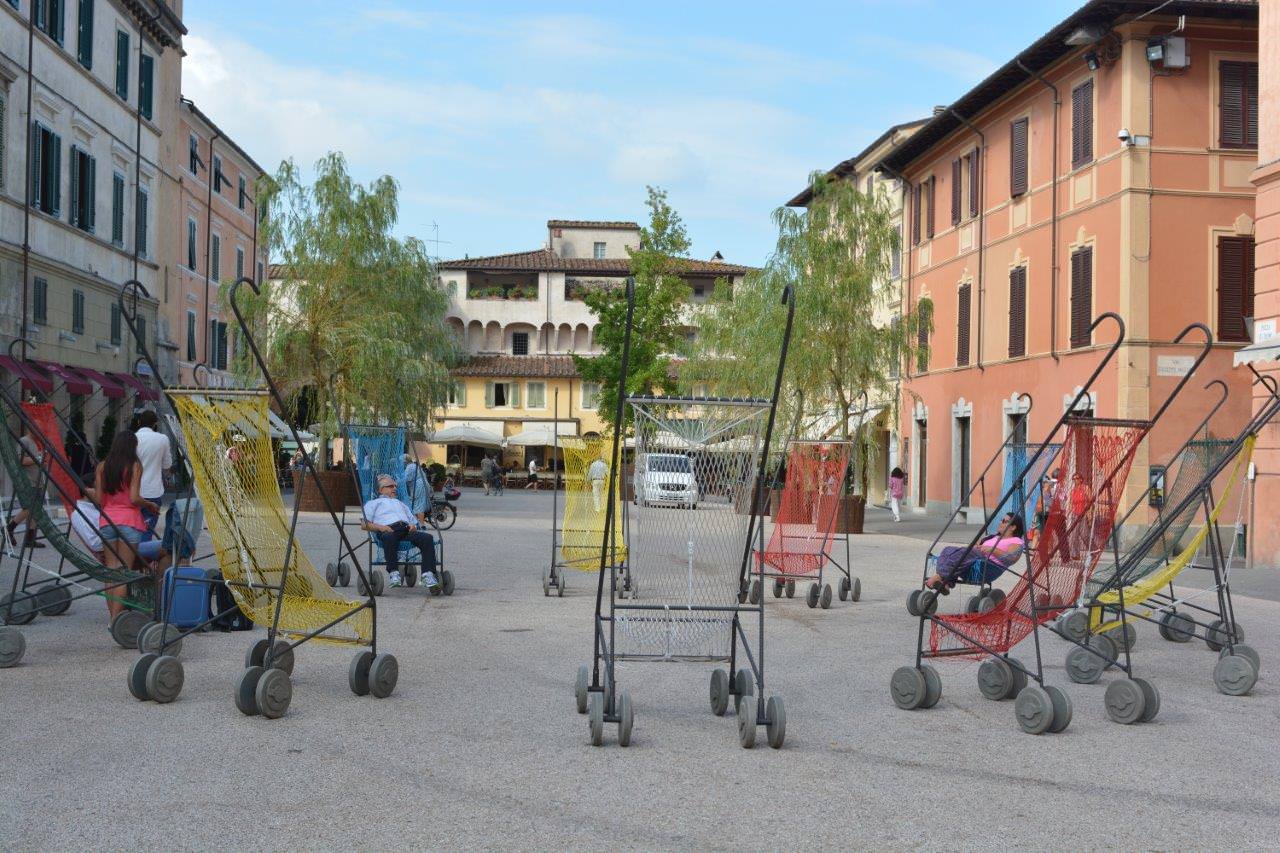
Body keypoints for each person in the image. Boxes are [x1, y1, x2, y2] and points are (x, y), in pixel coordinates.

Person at [95, 431, 160, 620]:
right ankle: (116, 620)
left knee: (111, 570)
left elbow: (99, 499)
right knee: (124, 571)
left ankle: (111, 618)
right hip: (129, 522)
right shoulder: (134, 466)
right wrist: (149, 504)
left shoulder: (102, 467)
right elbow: (133, 498)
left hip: (107, 521)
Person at [361, 474, 438, 590]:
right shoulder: (373, 504)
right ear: (381, 490)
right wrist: (381, 527)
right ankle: (394, 572)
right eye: (391, 486)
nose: (395, 488)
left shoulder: (400, 503)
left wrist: (413, 526)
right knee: (389, 538)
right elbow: (364, 524)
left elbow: (414, 521)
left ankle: (427, 574)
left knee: (427, 538)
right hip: (388, 529)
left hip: (406, 529)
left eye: (395, 486)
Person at [924, 514, 1026, 591]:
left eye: (1004, 521)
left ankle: (940, 576)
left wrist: (992, 550)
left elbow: (1011, 558)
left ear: (1013, 527)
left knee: (965, 553)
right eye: (1001, 520)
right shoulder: (993, 536)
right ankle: (946, 583)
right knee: (948, 550)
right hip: (974, 559)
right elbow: (978, 545)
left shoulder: (1016, 542)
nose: (1000, 522)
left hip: (987, 566)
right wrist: (978, 545)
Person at [132, 410, 172, 536]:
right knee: (147, 531)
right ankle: (142, 554)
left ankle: (131, 554)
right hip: (153, 491)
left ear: (139, 422)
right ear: (155, 424)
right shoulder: (162, 439)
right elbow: (167, 465)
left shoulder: (132, 438)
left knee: (132, 530)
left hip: (133, 491)